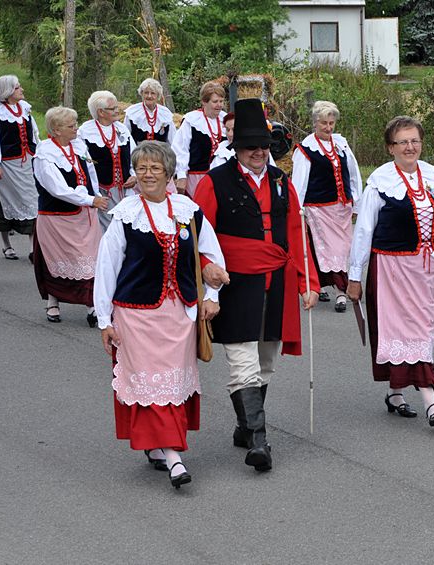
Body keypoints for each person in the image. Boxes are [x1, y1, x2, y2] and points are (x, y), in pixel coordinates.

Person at [194, 98, 319, 472]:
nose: (259, 153)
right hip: (235, 284)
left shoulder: (283, 184)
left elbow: (297, 236)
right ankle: (259, 442)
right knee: (242, 362)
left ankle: (243, 426)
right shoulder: (215, 183)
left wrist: (306, 282)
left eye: (264, 147)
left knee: (266, 362)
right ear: (237, 149)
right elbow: (198, 234)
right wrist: (206, 268)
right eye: (251, 147)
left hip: (276, 284)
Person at [94, 141, 227, 489]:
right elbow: (106, 267)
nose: (148, 174)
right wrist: (104, 320)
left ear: (168, 173)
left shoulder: (187, 210)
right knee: (149, 382)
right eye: (141, 168)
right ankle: (174, 458)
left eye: (155, 168)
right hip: (135, 315)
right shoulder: (125, 213)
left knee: (169, 384)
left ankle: (157, 446)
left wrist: (211, 296)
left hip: (179, 314)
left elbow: (211, 256)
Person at [346, 116, 434, 430]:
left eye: (415, 141)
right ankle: (431, 401)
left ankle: (395, 392)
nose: (410, 147)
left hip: (429, 271)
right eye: (403, 142)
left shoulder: (433, 176)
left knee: (421, 331)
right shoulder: (381, 182)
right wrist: (354, 276)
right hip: (392, 270)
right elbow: (363, 231)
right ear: (391, 148)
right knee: (409, 332)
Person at [32, 107, 108, 325]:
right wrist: (89, 200)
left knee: (90, 259)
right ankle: (53, 301)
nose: (76, 128)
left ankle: (92, 306)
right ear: (56, 130)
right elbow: (57, 188)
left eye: (75, 124)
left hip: (84, 216)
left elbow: (90, 173)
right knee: (59, 259)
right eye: (70, 125)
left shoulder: (78, 146)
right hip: (57, 217)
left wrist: (96, 195)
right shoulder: (45, 154)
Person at [292, 100, 362, 312]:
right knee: (323, 249)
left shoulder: (341, 145)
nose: (328, 127)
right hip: (318, 208)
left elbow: (353, 174)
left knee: (343, 248)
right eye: (324, 123)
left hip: (341, 208)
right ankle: (337, 288)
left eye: (331, 123)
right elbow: (299, 182)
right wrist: (297, 208)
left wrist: (356, 202)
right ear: (315, 123)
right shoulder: (306, 149)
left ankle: (340, 289)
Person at [0, 75, 39, 260]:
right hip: (7, 164)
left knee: (31, 202)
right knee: (4, 202)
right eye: (18, 88)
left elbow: (34, 134)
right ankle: (6, 245)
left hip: (27, 162)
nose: (22, 90)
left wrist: (39, 155)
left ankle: (33, 248)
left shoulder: (24, 108)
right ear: (8, 91)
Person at [78, 90, 137, 231]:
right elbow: (81, 158)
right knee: (105, 226)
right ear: (101, 112)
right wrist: (94, 165)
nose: (117, 111)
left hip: (124, 188)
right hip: (100, 189)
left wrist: (134, 174)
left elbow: (134, 154)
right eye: (113, 108)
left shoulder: (121, 129)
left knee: (125, 224)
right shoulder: (85, 131)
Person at [172, 81, 226, 198]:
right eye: (215, 101)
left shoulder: (225, 120)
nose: (219, 105)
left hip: (222, 177)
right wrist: (181, 175)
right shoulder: (192, 120)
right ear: (204, 102)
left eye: (221, 101)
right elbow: (180, 148)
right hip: (196, 178)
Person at [209, 112, 277, 169]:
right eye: (227, 129)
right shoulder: (221, 155)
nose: (230, 134)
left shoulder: (261, 149)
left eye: (234, 130)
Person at [124, 78, 175, 144]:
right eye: (146, 93)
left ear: (158, 95)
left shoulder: (165, 113)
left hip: (161, 153)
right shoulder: (132, 112)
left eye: (153, 93)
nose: (149, 96)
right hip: (138, 153)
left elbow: (173, 140)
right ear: (141, 94)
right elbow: (126, 138)